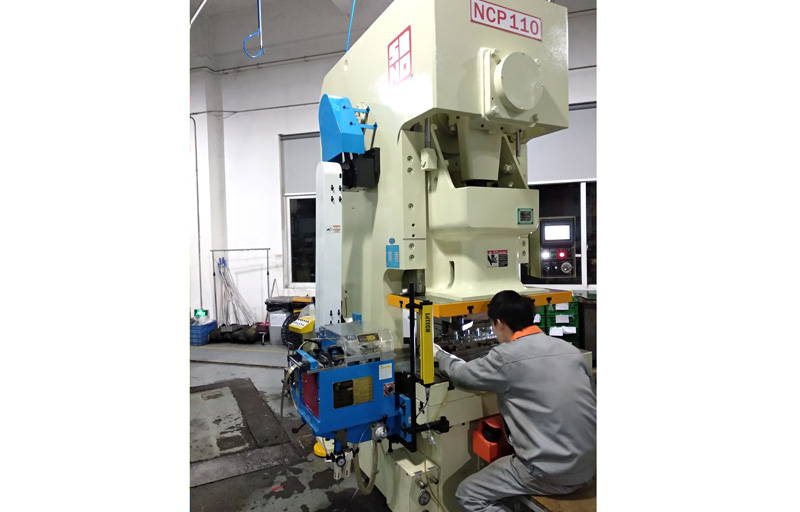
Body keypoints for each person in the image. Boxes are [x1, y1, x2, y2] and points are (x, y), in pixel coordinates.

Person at [432, 290, 596, 512]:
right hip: (589, 463)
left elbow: (462, 374)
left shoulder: (506, 357)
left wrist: (440, 355)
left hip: (549, 472)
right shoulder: (570, 350)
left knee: (467, 494)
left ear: (499, 323)